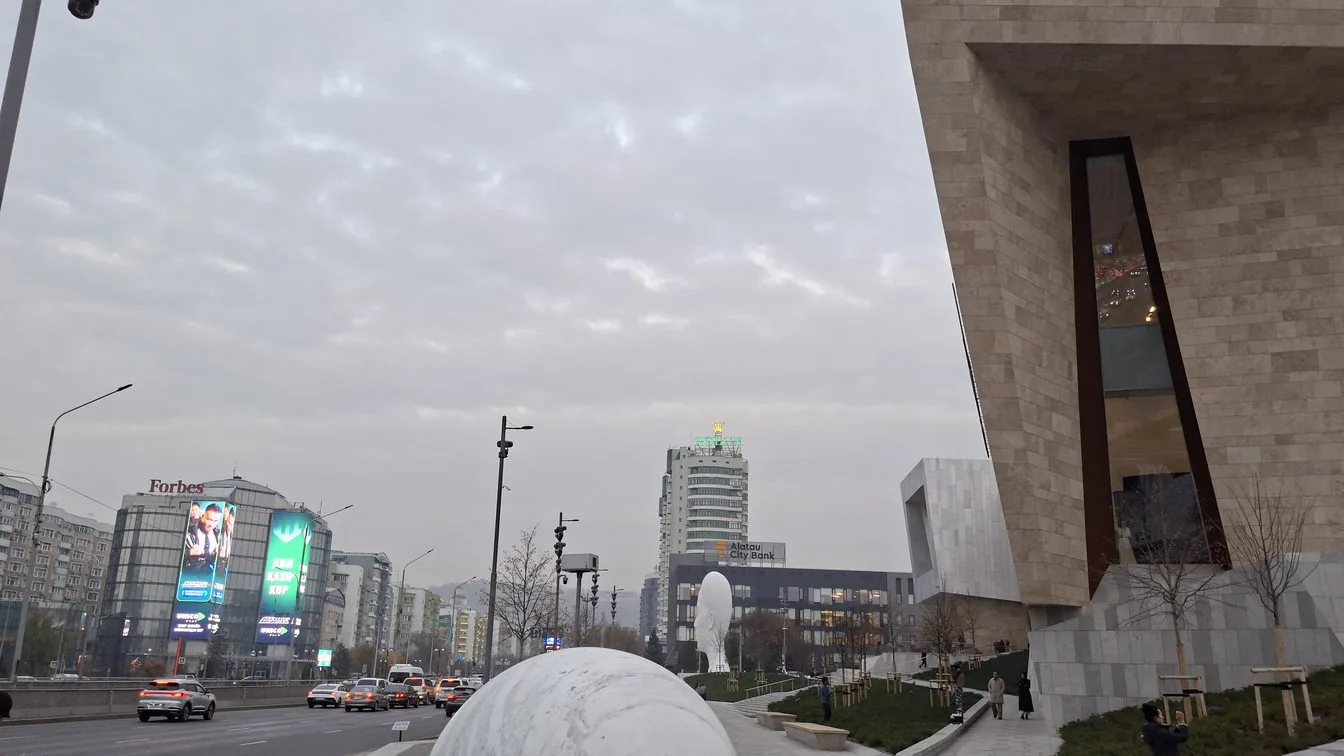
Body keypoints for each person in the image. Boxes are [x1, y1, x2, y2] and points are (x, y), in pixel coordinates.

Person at [184, 503, 224, 569]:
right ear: (203, 517)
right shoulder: (190, 532)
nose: (211, 524)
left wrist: (219, 556)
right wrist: (189, 552)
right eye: (209, 519)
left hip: (207, 574)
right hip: (189, 573)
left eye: (215, 521)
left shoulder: (218, 536)